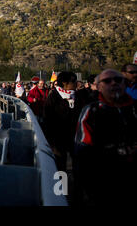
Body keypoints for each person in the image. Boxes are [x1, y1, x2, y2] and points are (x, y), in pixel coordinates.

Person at [74, 69, 136, 205]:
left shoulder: (134, 109)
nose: (114, 83)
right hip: (104, 183)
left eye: (118, 80)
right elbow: (83, 151)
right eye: (107, 81)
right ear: (99, 87)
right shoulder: (91, 112)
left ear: (125, 84)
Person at [42, 71, 88, 172]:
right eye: (73, 81)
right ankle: (62, 186)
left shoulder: (79, 96)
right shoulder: (53, 96)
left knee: (78, 165)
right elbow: (47, 119)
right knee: (60, 167)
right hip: (58, 138)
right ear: (64, 83)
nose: (76, 83)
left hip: (75, 137)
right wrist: (51, 141)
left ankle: (77, 185)